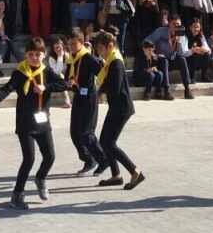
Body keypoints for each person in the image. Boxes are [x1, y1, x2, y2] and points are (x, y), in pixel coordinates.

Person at [0, 37, 68, 209]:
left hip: (43, 121)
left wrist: (47, 88)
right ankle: (17, 195)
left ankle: (40, 178)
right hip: (25, 123)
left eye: (38, 54)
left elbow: (64, 84)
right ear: (25, 55)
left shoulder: (46, 72)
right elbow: (6, 89)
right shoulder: (20, 73)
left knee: (50, 157)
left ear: (44, 54)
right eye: (31, 54)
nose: (34, 58)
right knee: (29, 158)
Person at [93, 29, 145, 190]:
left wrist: (101, 90)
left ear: (110, 45)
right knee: (105, 142)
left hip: (121, 108)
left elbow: (114, 87)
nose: (99, 53)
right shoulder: (111, 61)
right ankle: (116, 175)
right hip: (117, 107)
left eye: (101, 49)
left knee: (109, 143)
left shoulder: (116, 63)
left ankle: (135, 171)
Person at [64, 27, 107, 171]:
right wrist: (69, 82)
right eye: (69, 43)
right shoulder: (71, 59)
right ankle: (88, 159)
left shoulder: (88, 58)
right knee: (75, 133)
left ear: (81, 42)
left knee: (86, 133)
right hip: (78, 97)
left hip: (89, 97)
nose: (71, 46)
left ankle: (103, 159)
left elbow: (103, 74)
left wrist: (102, 92)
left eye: (74, 43)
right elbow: (68, 77)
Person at [147, 11, 193, 100]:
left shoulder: (181, 34)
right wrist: (154, 54)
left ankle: (187, 88)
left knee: (182, 60)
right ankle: (167, 90)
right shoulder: (160, 31)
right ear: (169, 23)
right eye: (174, 24)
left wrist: (179, 41)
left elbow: (181, 53)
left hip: (172, 59)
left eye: (178, 24)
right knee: (164, 61)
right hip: (159, 60)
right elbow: (145, 42)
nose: (176, 26)